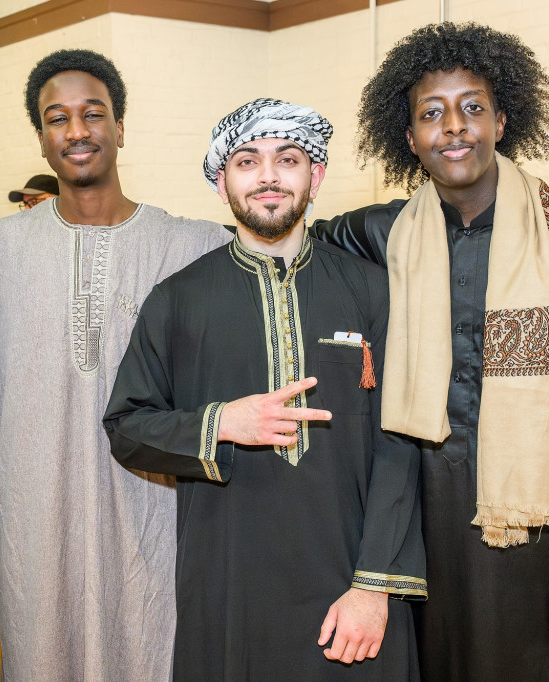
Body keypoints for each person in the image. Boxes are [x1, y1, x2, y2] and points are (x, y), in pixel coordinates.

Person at [310, 22, 549, 681]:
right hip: (424, 539)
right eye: (431, 114)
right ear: (409, 139)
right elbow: (288, 250)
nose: (454, 127)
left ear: (500, 120)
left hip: (544, 545)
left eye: (472, 107)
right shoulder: (377, 236)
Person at [103, 99, 426, 681]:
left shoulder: (372, 292)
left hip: (349, 581)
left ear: (316, 176)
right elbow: (127, 428)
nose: (269, 177)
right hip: (230, 587)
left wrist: (373, 586)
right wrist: (219, 424)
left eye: (289, 159)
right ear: (221, 181)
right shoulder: (178, 300)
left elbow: (402, 447)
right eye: (247, 161)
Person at [0, 49, 231, 681]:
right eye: (57, 118)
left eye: (94, 114)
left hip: (153, 500)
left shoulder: (191, 245)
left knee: (153, 639)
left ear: (120, 128)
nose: (77, 130)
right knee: (42, 641)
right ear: (41, 140)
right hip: (40, 504)